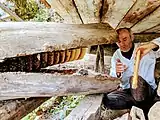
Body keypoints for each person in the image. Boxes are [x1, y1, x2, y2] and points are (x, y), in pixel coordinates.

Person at [103, 27, 160, 117]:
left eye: (125, 39)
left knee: (135, 81)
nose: (122, 44)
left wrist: (152, 45)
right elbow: (113, 78)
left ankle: (141, 106)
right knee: (107, 100)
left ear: (131, 37)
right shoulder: (116, 56)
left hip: (147, 91)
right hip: (128, 93)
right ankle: (140, 107)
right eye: (118, 41)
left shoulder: (144, 49)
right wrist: (117, 73)